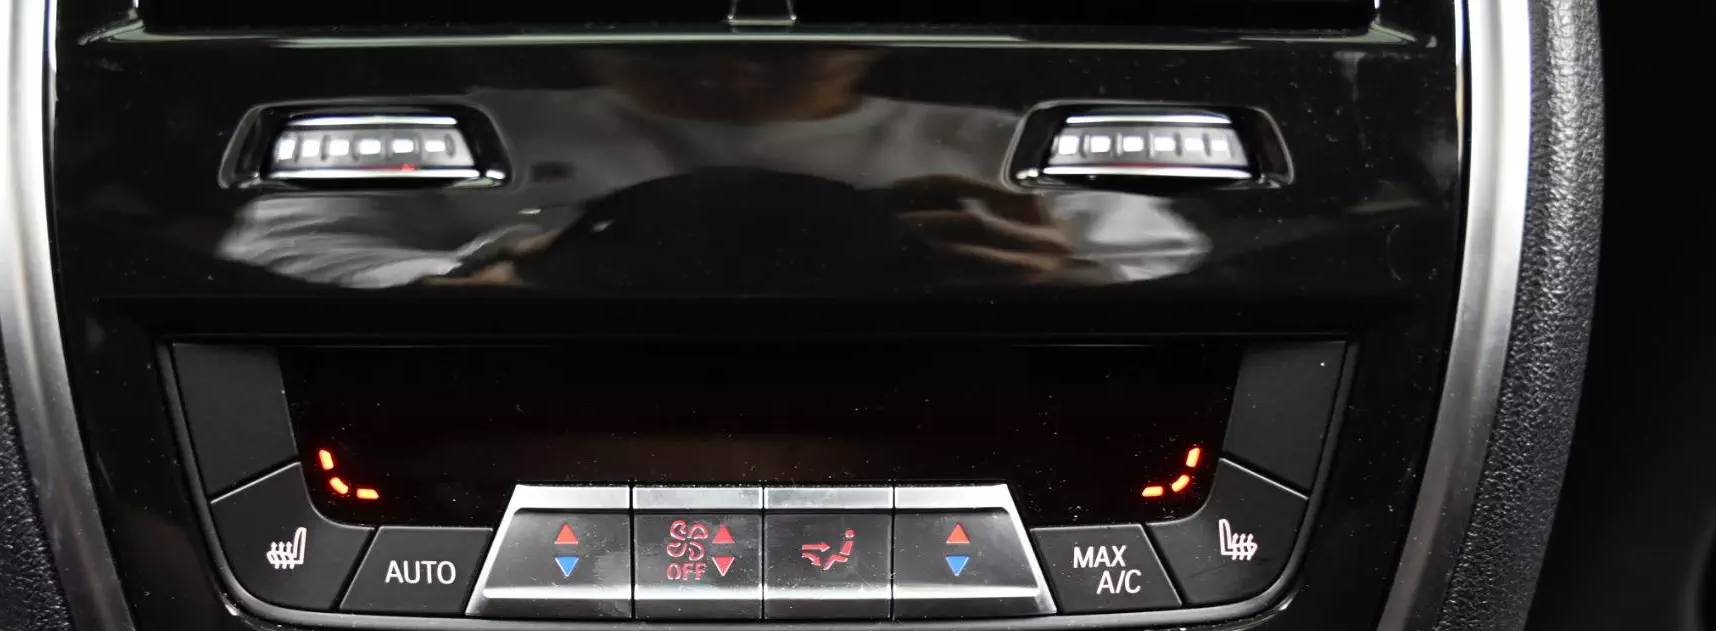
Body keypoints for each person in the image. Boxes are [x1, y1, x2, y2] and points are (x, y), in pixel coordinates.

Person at [217, 48, 1209, 289]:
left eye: (784, 45)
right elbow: (275, 255)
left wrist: (1055, 272)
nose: (732, 63)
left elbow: (1174, 270)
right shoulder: (470, 127)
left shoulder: (997, 147)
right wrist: (507, 275)